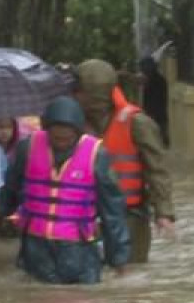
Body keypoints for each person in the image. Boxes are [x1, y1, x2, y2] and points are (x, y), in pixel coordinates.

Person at [0, 96, 130, 284]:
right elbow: (12, 186)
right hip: (36, 248)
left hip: (78, 250)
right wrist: (1, 209)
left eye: (68, 139)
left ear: (78, 133)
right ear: (46, 130)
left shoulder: (97, 155)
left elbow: (112, 210)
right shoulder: (27, 148)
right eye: (56, 138)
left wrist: (119, 258)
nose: (62, 143)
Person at [72, 59, 175, 264]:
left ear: (92, 93)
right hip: (85, 216)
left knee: (129, 272)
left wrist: (163, 213)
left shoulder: (137, 123)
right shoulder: (72, 124)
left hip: (129, 217)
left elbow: (157, 170)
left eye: (78, 88)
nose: (74, 93)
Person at [137, 55, 169, 146]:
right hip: (158, 116)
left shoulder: (155, 80)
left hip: (155, 116)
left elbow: (139, 81)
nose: (142, 72)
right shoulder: (160, 79)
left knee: (156, 141)